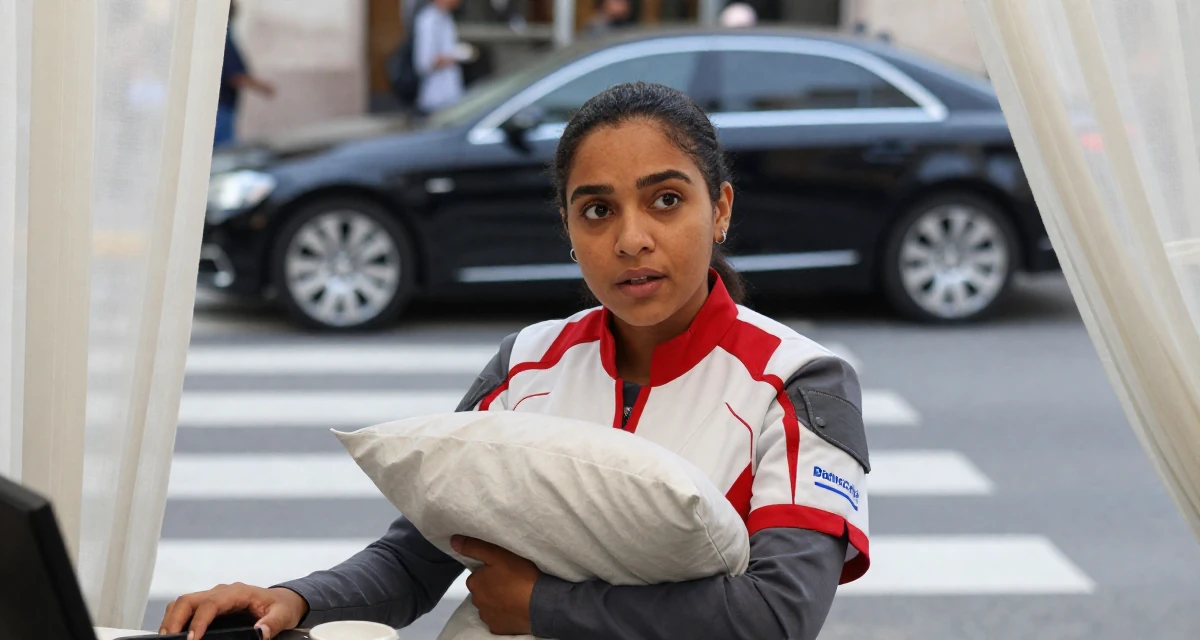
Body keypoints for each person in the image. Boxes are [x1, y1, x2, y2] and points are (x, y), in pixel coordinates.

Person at [160, 82, 871, 640]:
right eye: (597, 210)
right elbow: (416, 559)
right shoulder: (526, 364)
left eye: (665, 200)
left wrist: (544, 607)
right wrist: (292, 599)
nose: (631, 239)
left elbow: (778, 616)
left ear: (719, 210)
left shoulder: (799, 382)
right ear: (568, 228)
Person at [215, 1, 275, 148]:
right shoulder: (222, 36)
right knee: (224, 151)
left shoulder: (223, 35)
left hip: (223, 104)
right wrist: (262, 87)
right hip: (221, 106)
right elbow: (235, 75)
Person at [413, 0, 466, 114]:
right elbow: (425, 62)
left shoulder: (447, 17)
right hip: (436, 98)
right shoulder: (429, 20)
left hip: (451, 95)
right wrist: (455, 56)